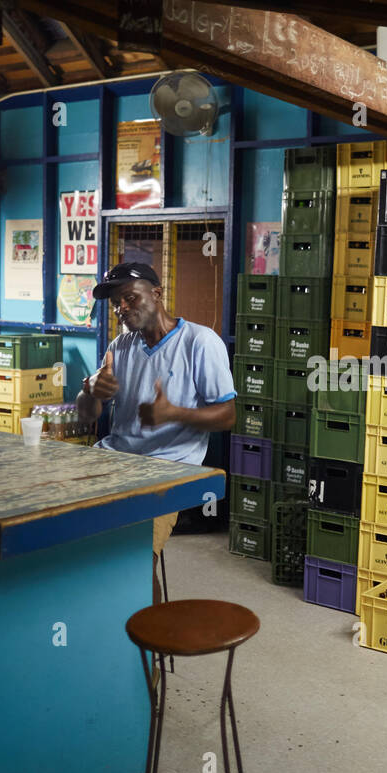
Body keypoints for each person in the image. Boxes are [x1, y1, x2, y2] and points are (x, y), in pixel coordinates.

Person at [76, 258, 236, 604]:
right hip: (112, 457)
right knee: (54, 528)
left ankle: (150, 654)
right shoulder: (120, 346)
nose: (121, 307)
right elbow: (86, 416)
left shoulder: (200, 342)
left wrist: (172, 413)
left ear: (157, 293)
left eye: (129, 297)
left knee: (132, 559)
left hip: (165, 469)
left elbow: (227, 415)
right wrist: (90, 392)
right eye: (116, 302)